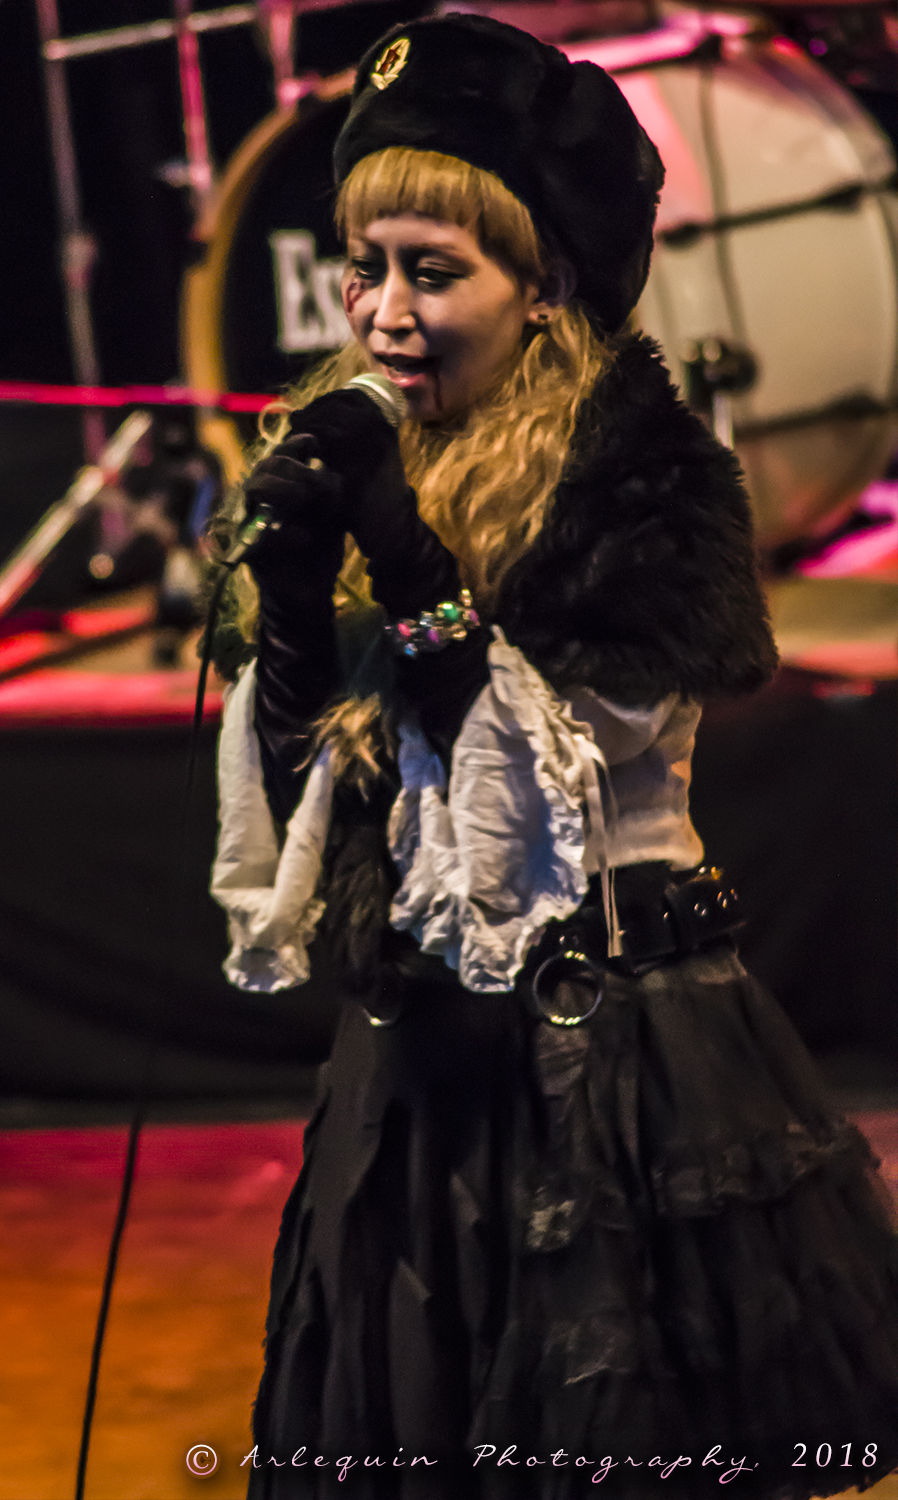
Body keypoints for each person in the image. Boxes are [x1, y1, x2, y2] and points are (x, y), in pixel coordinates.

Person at [209, 14, 898, 1496]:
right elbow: (315, 774)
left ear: (544, 287)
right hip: (420, 1067)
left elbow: (533, 786)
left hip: (609, 1059)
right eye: (365, 265)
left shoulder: (644, 480)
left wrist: (401, 553)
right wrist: (292, 599)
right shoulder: (383, 442)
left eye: (433, 271)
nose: (381, 313)